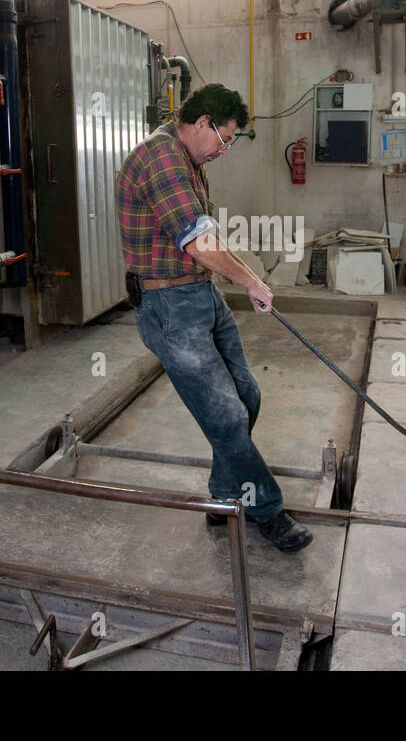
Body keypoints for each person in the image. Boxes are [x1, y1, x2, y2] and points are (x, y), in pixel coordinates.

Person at [114, 83, 313, 552]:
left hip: (199, 293)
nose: (223, 151)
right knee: (224, 415)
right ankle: (265, 509)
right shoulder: (160, 158)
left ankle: (224, 497)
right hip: (169, 306)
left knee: (246, 395)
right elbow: (197, 243)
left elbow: (207, 237)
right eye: (223, 140)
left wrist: (248, 280)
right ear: (201, 123)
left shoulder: (187, 160)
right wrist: (249, 282)